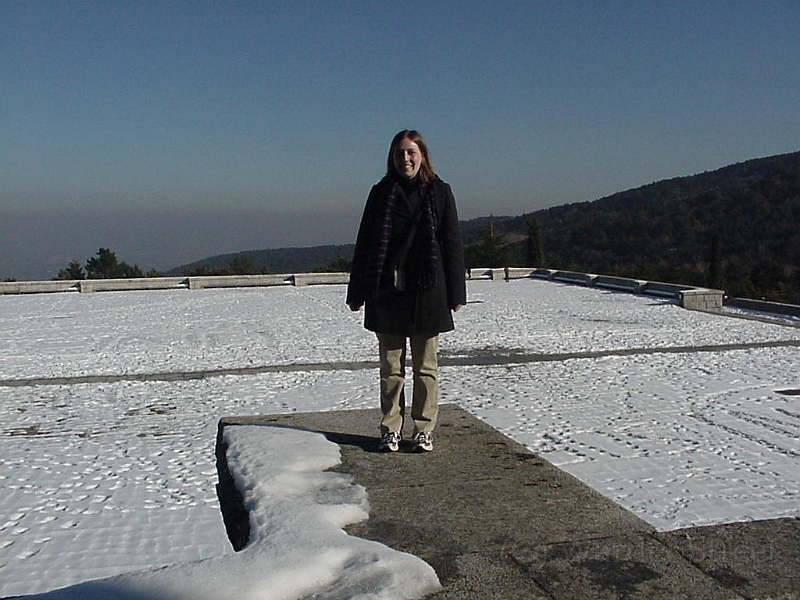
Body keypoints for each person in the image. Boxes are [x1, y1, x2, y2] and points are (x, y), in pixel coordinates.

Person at [347, 130, 466, 453]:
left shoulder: (440, 193)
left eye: (411, 152)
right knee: (391, 367)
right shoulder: (380, 193)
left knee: (426, 367)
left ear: (423, 155)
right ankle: (391, 428)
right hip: (387, 290)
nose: (406, 159)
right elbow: (366, 245)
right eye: (400, 153)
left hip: (428, 290)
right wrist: (356, 293)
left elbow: (452, 244)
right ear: (392, 158)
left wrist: (457, 292)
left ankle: (423, 428)